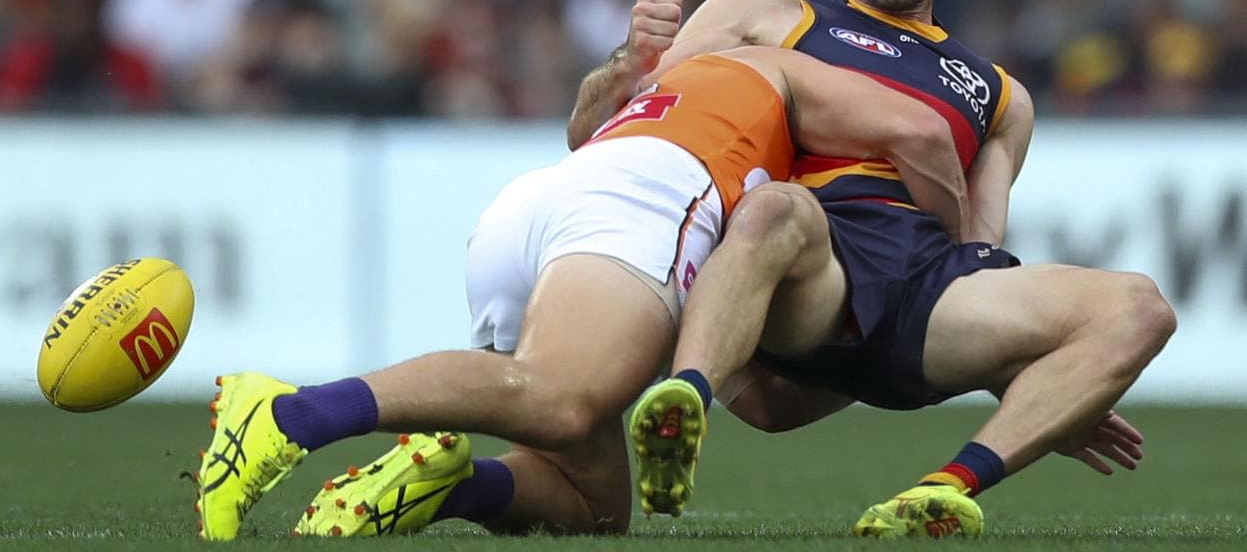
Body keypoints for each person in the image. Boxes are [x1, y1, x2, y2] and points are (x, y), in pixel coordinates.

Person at [568, 0, 1177, 538]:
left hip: (921, 297)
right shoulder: (769, 11)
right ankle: (683, 406)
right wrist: (624, 63)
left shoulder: (1000, 96)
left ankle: (945, 490)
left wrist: (1041, 388)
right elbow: (597, 134)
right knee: (778, 209)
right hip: (805, 284)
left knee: (1141, 308)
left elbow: (976, 257)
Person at [194, 45, 971, 541]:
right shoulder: (786, 69)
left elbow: (760, 396)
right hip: (646, 201)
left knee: (591, 506)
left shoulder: (686, 70)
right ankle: (289, 415)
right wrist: (955, 267)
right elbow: (926, 136)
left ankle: (449, 488)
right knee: (559, 399)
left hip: (544, 203)